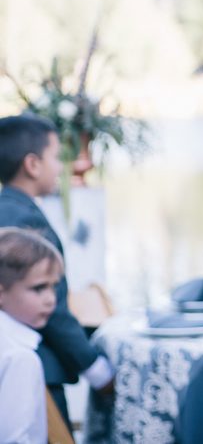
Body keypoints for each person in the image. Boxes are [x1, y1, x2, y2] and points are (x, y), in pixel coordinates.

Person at [0, 114, 115, 430]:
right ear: (32, 164)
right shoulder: (24, 226)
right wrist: (97, 369)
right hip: (37, 369)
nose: (61, 168)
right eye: (56, 157)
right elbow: (53, 310)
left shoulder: (7, 208)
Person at [0, 227, 64, 444]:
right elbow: (14, 439)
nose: (50, 299)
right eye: (38, 288)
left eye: (53, 287)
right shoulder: (20, 357)